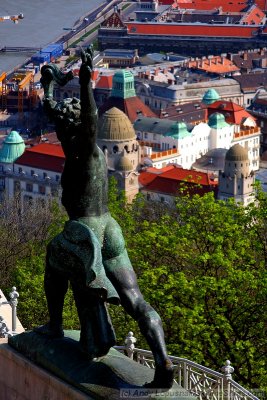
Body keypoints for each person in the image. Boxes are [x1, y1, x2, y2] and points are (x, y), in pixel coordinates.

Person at [37, 46, 174, 389]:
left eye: (66, 129)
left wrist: (85, 84)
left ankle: (54, 325)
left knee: (54, 261)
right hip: (110, 228)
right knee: (135, 299)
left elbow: (89, 120)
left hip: (86, 230)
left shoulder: (84, 150)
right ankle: (162, 359)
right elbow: (52, 110)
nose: (62, 132)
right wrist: (50, 84)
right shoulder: (78, 148)